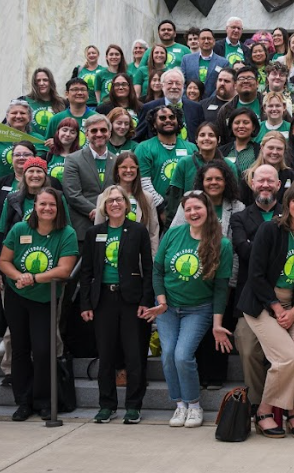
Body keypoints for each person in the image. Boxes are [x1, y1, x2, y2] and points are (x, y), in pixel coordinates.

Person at [237, 182, 294, 439]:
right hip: (261, 303)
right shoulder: (270, 229)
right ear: (287, 205)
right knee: (286, 358)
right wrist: (275, 307)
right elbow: (256, 274)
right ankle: (263, 412)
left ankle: (293, 413)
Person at [145, 191, 233, 429]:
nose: (193, 213)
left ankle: (194, 405)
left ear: (208, 210)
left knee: (183, 355)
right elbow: (157, 271)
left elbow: (221, 288)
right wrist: (161, 301)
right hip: (168, 308)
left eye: (198, 208)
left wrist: (217, 324)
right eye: (188, 209)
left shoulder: (221, 243)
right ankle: (179, 404)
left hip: (199, 309)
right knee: (167, 356)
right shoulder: (173, 234)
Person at [0, 187, 79, 421]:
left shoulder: (67, 233)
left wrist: (32, 278)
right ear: (34, 206)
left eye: (52, 205)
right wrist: (17, 277)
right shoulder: (20, 229)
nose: (47, 208)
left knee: (44, 350)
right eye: (42, 204)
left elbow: (64, 270)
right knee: (20, 349)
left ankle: (44, 400)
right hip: (16, 295)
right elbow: (4, 261)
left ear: (59, 208)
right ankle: (23, 401)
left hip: (45, 298)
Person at [78, 186, 153, 424]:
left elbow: (148, 269)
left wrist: (146, 300)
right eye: (110, 200)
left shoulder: (138, 230)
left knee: (134, 355)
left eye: (119, 199)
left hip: (131, 299)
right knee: (106, 356)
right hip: (103, 300)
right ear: (104, 206)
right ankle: (107, 405)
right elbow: (87, 271)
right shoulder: (94, 233)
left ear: (126, 204)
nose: (115, 204)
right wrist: (86, 303)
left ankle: (133, 405)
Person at [229, 164, 282, 406]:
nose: (265, 185)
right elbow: (244, 250)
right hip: (249, 300)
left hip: (284, 299)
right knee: (249, 351)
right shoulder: (239, 217)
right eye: (260, 181)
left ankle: (281, 405)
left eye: (270, 181)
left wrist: (257, 244)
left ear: (279, 185)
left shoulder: (291, 214)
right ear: (252, 185)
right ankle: (261, 406)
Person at [135, 105, 195, 225]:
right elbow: (143, 182)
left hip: (188, 209)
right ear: (154, 124)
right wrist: (162, 207)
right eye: (162, 118)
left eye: (172, 117)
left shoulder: (191, 148)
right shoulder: (143, 148)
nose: (168, 120)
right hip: (154, 209)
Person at [61, 114, 114, 239]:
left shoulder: (117, 160)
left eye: (103, 130)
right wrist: (100, 212)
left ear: (110, 133)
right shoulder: (73, 159)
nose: (99, 134)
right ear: (86, 134)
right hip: (82, 227)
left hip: (112, 225)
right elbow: (72, 194)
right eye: (94, 130)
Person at [0, 100, 45, 184]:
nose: (18, 116)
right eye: (14, 113)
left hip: (30, 189)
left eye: (22, 113)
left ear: (29, 117)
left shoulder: (38, 139)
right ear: (7, 117)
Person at [136, 68, 207, 142]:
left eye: (178, 83)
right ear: (162, 86)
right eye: (170, 83)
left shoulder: (196, 108)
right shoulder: (149, 108)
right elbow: (138, 137)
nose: (174, 87)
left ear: (183, 86)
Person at [113, 150, 160, 252]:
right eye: (124, 167)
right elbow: (99, 230)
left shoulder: (148, 198)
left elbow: (153, 232)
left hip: (139, 256)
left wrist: (152, 258)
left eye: (133, 167)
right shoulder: (105, 196)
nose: (129, 170)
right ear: (117, 170)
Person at [46, 78, 96, 149]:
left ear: (87, 94)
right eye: (75, 89)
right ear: (67, 94)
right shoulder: (56, 119)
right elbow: (47, 145)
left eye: (83, 89)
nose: (79, 93)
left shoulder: (97, 118)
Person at [181, 28, 230, 93]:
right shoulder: (186, 60)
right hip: (190, 100)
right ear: (198, 41)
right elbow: (182, 82)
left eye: (209, 38)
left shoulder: (223, 63)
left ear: (214, 41)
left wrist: (210, 101)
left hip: (213, 101)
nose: (206, 41)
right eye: (203, 38)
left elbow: (223, 85)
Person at [23, 67, 67, 136]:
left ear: (51, 82)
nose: (41, 83)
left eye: (45, 80)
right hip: (31, 144)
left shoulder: (63, 103)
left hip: (55, 145)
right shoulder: (24, 101)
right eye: (38, 80)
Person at [46, 117, 80, 181]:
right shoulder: (48, 156)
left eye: (72, 132)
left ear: (76, 136)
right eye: (64, 130)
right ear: (58, 132)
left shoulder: (81, 157)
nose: (67, 134)